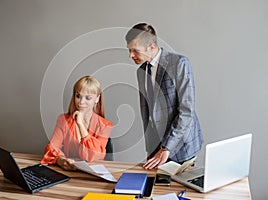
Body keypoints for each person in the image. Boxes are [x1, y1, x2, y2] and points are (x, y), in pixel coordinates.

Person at [125, 23, 203, 170]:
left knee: (181, 191)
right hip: (157, 150)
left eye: (135, 50)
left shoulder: (179, 63)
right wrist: (151, 149)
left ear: (152, 46)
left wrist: (166, 148)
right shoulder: (140, 71)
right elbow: (146, 113)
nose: (131, 55)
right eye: (129, 50)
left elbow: (186, 112)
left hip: (182, 148)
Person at [41, 76, 113, 170]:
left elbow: (93, 156)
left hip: (93, 175)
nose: (81, 102)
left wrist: (80, 124)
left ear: (97, 99)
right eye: (78, 96)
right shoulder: (63, 120)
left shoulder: (105, 125)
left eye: (88, 98)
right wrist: (61, 160)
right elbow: (52, 148)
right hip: (69, 172)